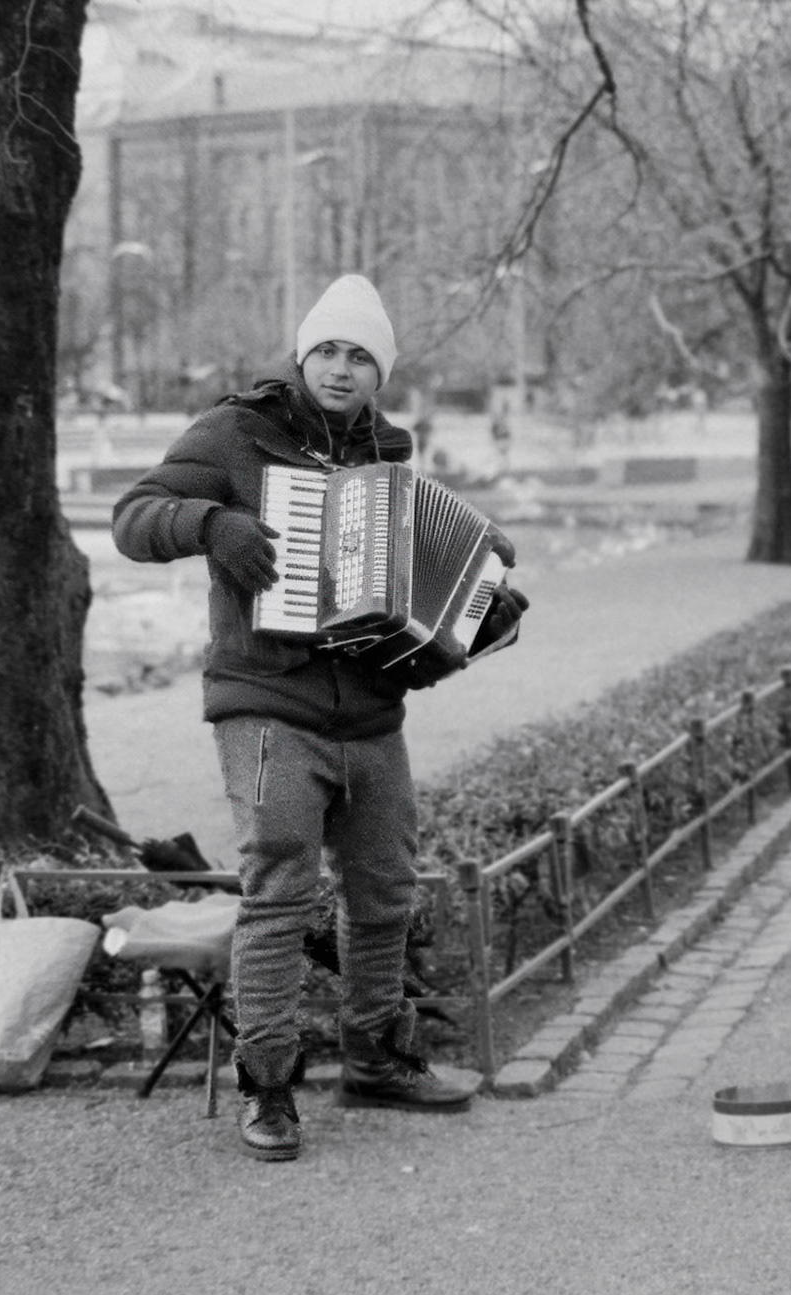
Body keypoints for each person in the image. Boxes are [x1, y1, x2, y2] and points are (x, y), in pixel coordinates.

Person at [112, 275, 528, 1161]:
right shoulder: (235, 433)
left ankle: (375, 1052)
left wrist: (479, 615)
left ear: (381, 371)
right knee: (279, 888)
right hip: (266, 707)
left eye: (361, 355)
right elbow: (132, 518)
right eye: (328, 350)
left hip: (371, 719)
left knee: (385, 891)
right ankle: (269, 1084)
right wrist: (211, 522)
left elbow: (412, 623)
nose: (342, 368)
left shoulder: (389, 460)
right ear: (304, 357)